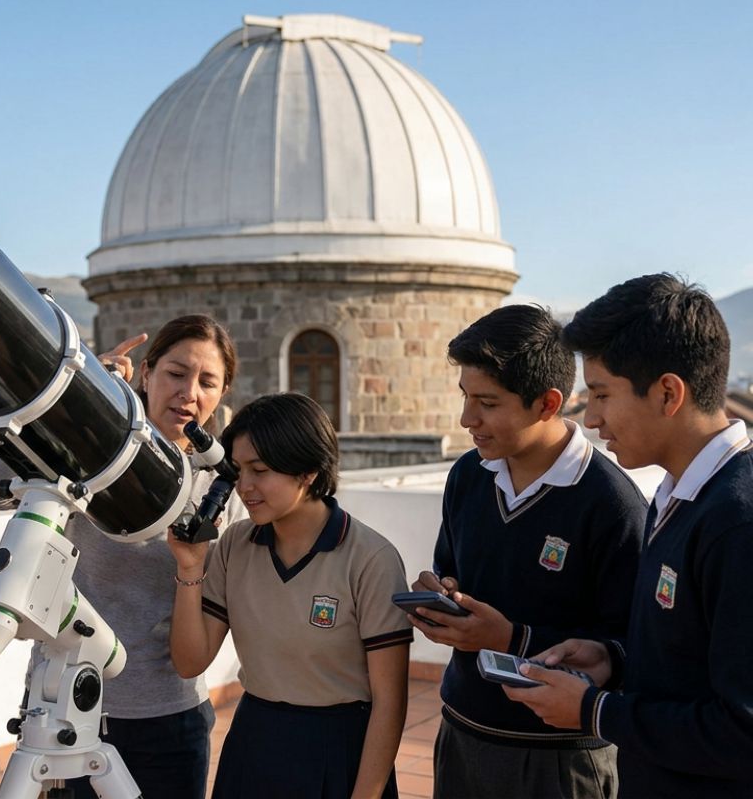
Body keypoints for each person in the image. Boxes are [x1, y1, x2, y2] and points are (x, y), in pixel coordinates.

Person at [0, 314, 242, 799]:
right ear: (146, 373)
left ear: (222, 394)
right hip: (60, 704)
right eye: (176, 373)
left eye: (206, 382)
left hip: (166, 717)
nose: (188, 393)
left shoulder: (218, 486)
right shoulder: (93, 449)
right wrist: (73, 401)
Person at [502, 274, 753, 798]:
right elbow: (687, 664)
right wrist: (613, 661)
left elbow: (741, 731)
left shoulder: (736, 522)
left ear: (668, 393)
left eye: (601, 394)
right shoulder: (677, 494)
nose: (591, 418)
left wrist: (595, 712)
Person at [408, 305, 646, 799]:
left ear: (547, 403)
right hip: (462, 731)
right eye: (465, 397)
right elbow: (450, 569)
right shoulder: (468, 475)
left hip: (560, 758)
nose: (467, 419)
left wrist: (513, 639)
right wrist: (441, 595)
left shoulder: (611, 504)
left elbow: (632, 649)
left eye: (487, 403)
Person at [170, 392, 412, 799]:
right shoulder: (235, 545)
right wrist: (190, 568)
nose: (244, 487)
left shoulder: (370, 559)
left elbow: (390, 704)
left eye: (260, 470)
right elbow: (189, 662)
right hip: (254, 740)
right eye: (238, 470)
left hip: (338, 749)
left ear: (308, 472)